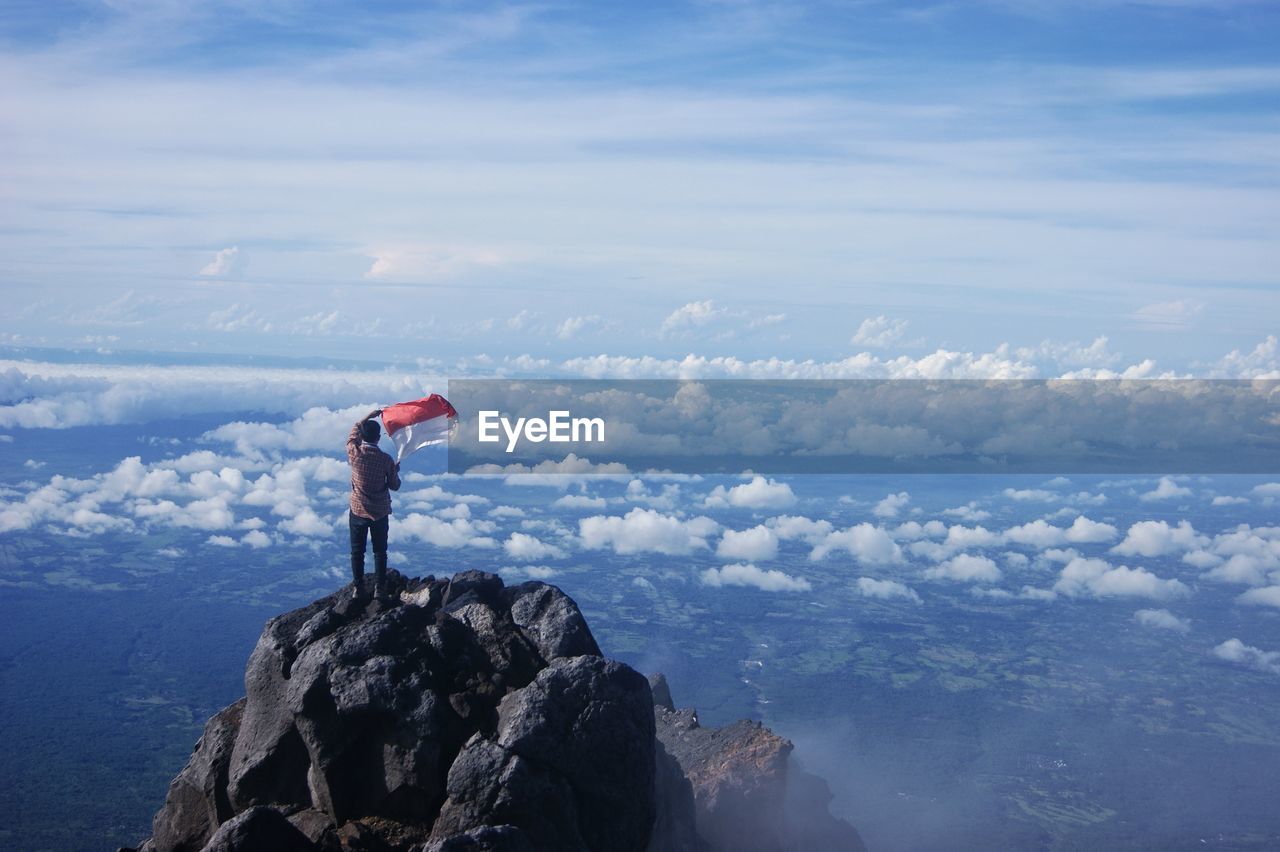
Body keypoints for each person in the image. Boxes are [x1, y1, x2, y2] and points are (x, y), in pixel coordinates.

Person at [346, 408, 401, 599]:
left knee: (357, 551)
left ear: (362, 436)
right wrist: (394, 471)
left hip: (358, 510)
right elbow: (395, 486)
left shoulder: (354, 453)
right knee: (380, 552)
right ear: (378, 438)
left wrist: (368, 416)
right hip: (379, 512)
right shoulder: (385, 460)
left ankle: (358, 588)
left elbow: (353, 430)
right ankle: (379, 588)